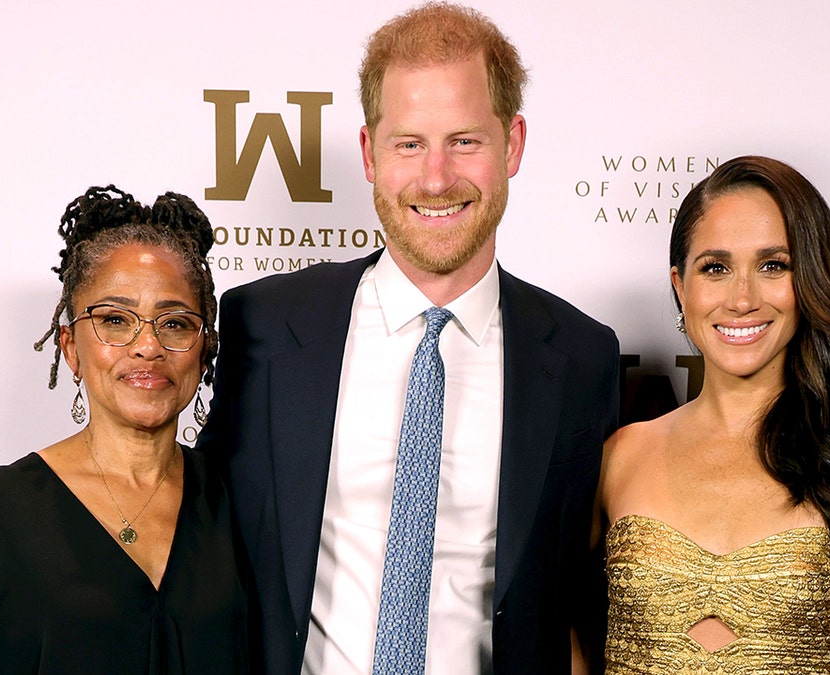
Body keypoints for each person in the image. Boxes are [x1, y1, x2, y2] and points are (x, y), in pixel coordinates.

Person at [195, 3, 620, 674]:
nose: (435, 177)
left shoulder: (582, 359)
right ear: (370, 152)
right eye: (410, 143)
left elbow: (583, 600)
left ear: (512, 144)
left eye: (465, 141)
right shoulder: (266, 328)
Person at [595, 156, 830, 674]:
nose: (743, 298)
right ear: (681, 287)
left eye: (773, 265)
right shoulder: (619, 455)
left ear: (812, 280)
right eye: (716, 267)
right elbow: (554, 626)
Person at [0, 186, 250, 674]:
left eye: (175, 323)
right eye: (116, 320)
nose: (147, 346)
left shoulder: (242, 503)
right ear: (71, 347)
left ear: (204, 351)